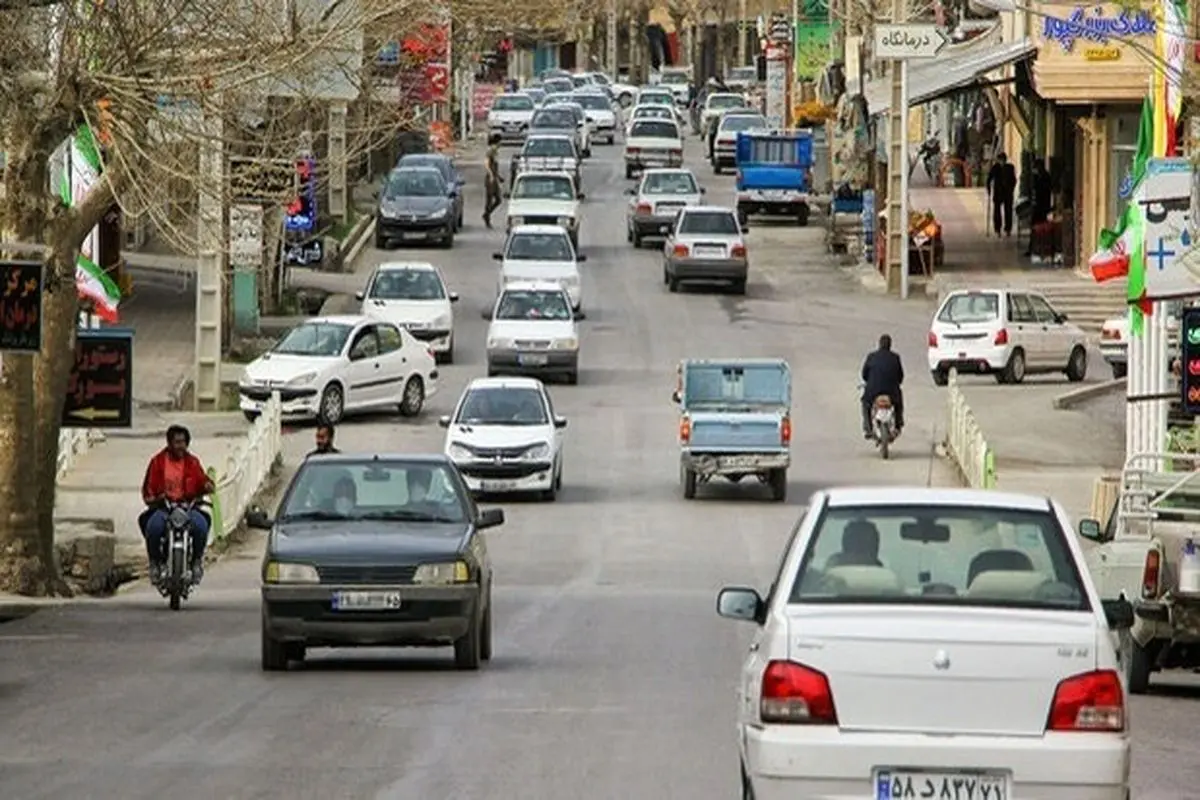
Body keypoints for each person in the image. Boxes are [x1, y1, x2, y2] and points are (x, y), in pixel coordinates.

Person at [140, 425, 215, 581]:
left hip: (188, 508)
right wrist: (156, 499)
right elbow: (149, 489)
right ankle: (156, 562)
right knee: (153, 528)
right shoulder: (157, 462)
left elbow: (202, 481)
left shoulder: (192, 462)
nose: (180, 446)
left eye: (183, 442)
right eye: (177, 442)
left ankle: (196, 562)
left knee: (201, 526)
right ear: (169, 443)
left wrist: (207, 486)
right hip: (165, 509)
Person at [860, 334, 905, 438]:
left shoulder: (871, 357)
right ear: (890, 345)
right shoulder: (895, 358)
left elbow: (864, 374)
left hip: (873, 391)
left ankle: (868, 428)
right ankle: (898, 424)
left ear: (879, 344)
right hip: (891, 392)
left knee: (865, 404)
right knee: (898, 403)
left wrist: (870, 381)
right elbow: (901, 377)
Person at [986, 152, 1018, 237]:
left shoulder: (1010, 167)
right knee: (997, 211)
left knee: (1008, 211)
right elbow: (989, 179)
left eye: (1003, 160)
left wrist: (1011, 188)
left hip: (1008, 192)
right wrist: (989, 190)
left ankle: (1008, 229)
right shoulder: (995, 168)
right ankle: (997, 229)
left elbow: (1014, 180)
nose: (1002, 162)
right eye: (1000, 160)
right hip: (998, 192)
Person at [482, 132, 503, 229]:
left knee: (498, 199)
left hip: (494, 178)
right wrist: (491, 175)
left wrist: (498, 176)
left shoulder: (495, 151)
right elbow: (486, 164)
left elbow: (495, 166)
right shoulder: (490, 151)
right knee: (490, 199)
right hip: (490, 179)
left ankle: (487, 214)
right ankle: (487, 217)